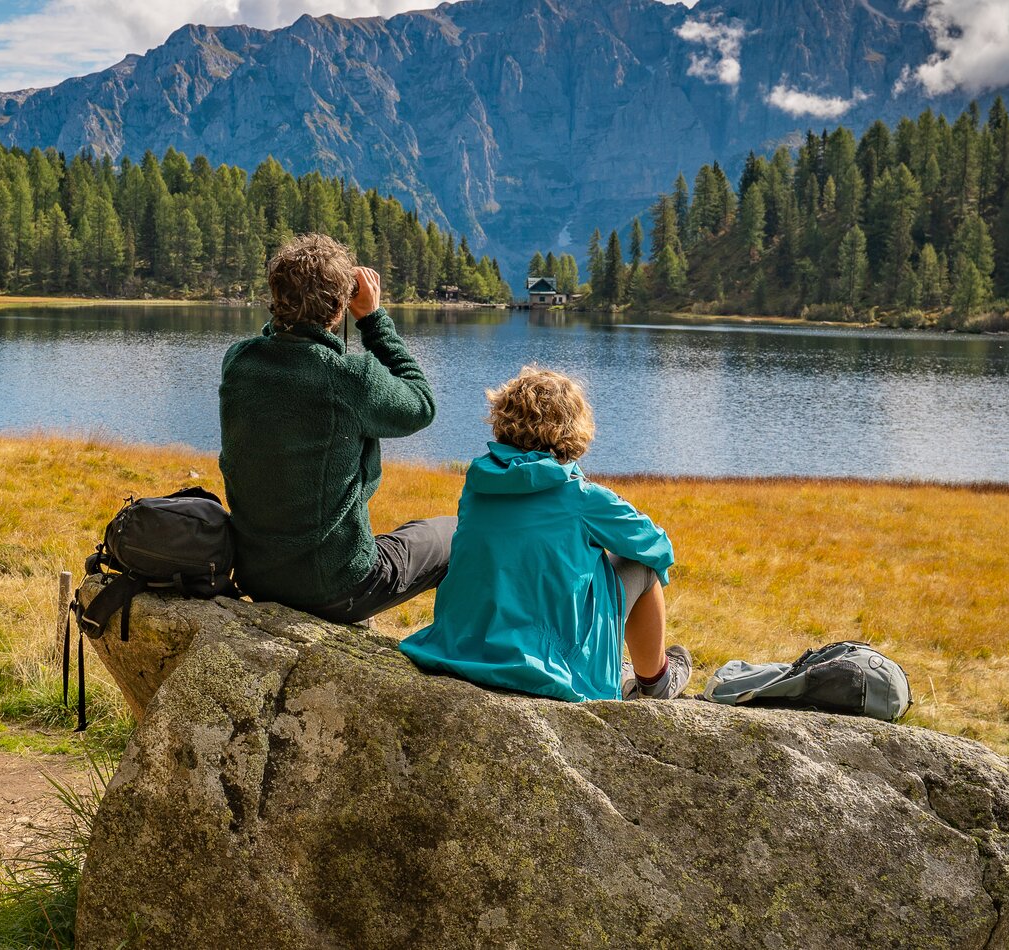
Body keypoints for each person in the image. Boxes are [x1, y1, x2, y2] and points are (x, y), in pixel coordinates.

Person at [398, 367, 691, 701]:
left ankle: (622, 666)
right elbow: (658, 546)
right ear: (573, 430)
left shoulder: (477, 483)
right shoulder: (582, 497)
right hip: (545, 663)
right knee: (641, 565)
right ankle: (655, 681)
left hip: (463, 644)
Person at [219, 233, 454, 624]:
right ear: (340, 306)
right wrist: (374, 320)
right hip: (338, 586)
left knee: (411, 532)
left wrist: (291, 311)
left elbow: (278, 338)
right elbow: (422, 404)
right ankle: (461, 656)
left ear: (276, 296)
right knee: (454, 533)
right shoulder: (349, 377)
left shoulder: (240, 361)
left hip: (255, 577)